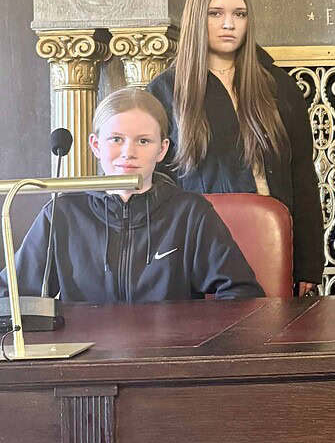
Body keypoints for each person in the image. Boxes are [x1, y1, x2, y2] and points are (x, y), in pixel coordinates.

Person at [147, 0, 323, 296]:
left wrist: (309, 263)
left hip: (272, 242)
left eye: (239, 14)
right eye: (216, 14)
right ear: (197, 18)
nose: (229, 24)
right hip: (199, 251)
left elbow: (302, 176)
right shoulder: (165, 91)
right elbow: (158, 187)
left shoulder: (279, 86)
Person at [0, 88, 264, 302]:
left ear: (162, 150)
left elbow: (242, 293)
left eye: (143, 141)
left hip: (167, 350)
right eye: (116, 139)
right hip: (86, 351)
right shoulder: (61, 213)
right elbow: (8, 296)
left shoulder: (191, 213)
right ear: (95, 145)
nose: (129, 152)